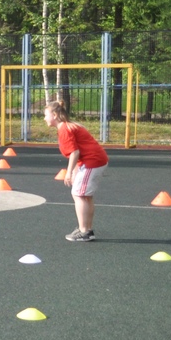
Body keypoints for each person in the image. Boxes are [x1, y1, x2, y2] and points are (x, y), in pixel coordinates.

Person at [44, 99, 108, 242]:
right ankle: (86, 229)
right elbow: (79, 152)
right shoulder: (68, 127)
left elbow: (75, 152)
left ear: (54, 115)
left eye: (46, 115)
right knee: (85, 195)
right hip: (93, 160)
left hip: (92, 161)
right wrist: (75, 171)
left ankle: (84, 231)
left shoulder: (65, 129)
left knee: (78, 194)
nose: (44, 118)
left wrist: (69, 172)